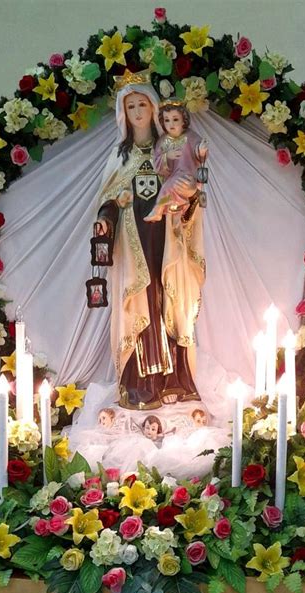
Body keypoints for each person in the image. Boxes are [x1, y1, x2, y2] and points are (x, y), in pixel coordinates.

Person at [95, 70, 206, 411]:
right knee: (143, 301)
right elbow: (108, 199)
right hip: (134, 242)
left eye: (143, 104)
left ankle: (176, 381)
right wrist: (105, 219)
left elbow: (189, 187)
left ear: (155, 109)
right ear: (123, 114)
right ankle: (141, 384)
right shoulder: (120, 156)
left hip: (167, 238)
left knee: (171, 298)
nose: (139, 112)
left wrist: (185, 206)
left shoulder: (169, 149)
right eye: (131, 106)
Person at [145, 100, 208, 222]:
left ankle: (158, 210)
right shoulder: (162, 141)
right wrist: (167, 156)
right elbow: (157, 163)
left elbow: (198, 150)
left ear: (183, 120)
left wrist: (201, 150)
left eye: (175, 119)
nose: (171, 124)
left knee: (170, 187)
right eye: (167, 120)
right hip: (172, 179)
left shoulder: (190, 136)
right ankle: (167, 209)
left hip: (189, 177)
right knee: (169, 187)